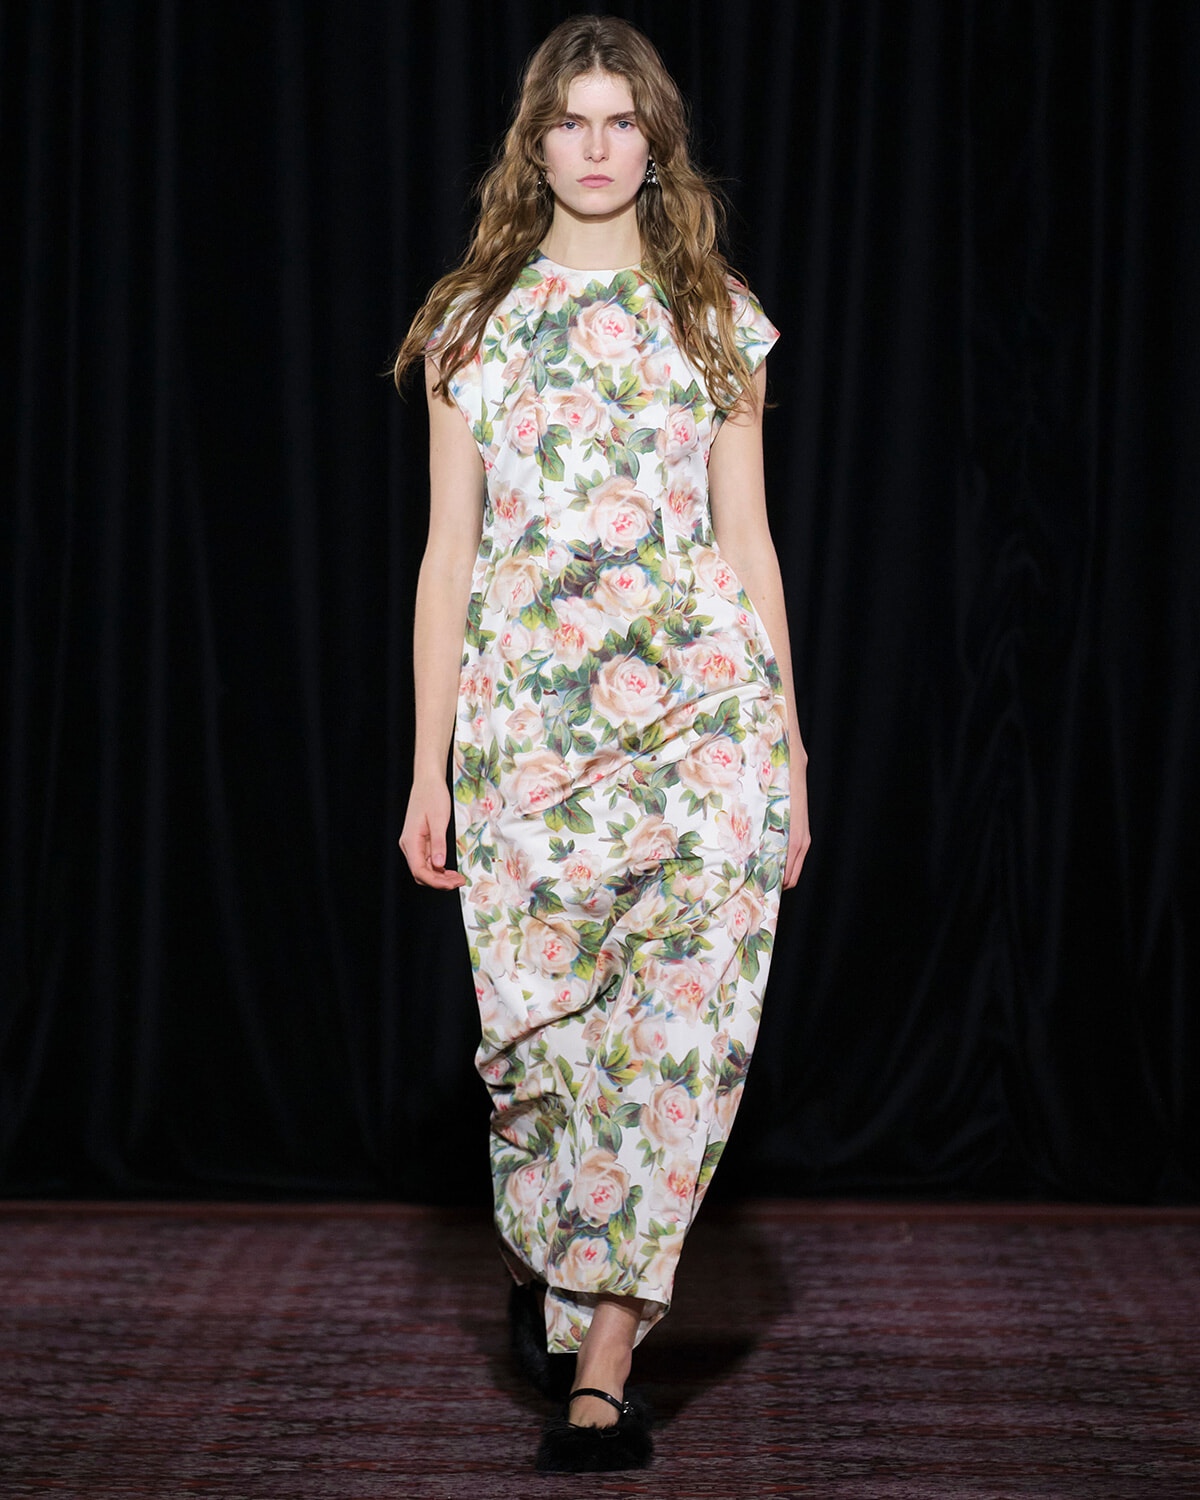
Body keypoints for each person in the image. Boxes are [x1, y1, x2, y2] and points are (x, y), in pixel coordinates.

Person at [394, 12, 810, 1474]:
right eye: (569, 120)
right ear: (535, 141)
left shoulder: (716, 316)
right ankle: (550, 1267)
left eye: (620, 120)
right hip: (525, 738)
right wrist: (429, 765)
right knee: (538, 1057)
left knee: (677, 1050)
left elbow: (747, 541)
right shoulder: (474, 320)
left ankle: (609, 1363)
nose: (594, 145)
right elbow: (451, 557)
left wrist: (793, 756)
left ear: (656, 143)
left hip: (704, 733)